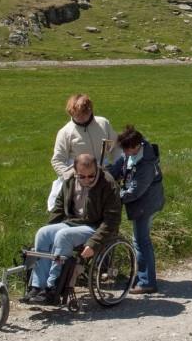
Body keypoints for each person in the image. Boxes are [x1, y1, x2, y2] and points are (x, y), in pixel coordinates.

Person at [24, 154, 121, 305]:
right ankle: (37, 286)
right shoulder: (69, 180)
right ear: (75, 171)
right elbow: (58, 208)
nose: (87, 180)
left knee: (63, 236)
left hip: (94, 227)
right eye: (82, 176)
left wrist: (94, 243)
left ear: (97, 170)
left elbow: (112, 220)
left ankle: (53, 287)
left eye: (91, 176)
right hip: (72, 222)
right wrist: (50, 229)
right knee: (43, 233)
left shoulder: (108, 184)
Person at [111, 126, 164, 295]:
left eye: (127, 150)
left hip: (146, 204)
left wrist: (114, 198)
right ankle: (144, 278)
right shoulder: (132, 153)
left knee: (141, 241)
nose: (125, 153)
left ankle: (147, 282)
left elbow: (134, 191)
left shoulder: (146, 164)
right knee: (140, 240)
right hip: (142, 203)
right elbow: (117, 167)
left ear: (136, 145)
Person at [50, 93, 121, 210]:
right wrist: (71, 177)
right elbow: (57, 160)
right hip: (79, 180)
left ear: (90, 110)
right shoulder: (65, 132)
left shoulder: (103, 123)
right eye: (76, 114)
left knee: (107, 210)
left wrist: (118, 167)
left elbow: (116, 147)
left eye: (84, 114)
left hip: (103, 176)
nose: (80, 117)